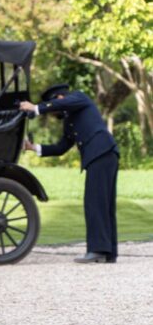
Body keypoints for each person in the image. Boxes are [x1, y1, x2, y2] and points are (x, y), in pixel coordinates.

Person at [19, 83, 119, 263]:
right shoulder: (70, 121)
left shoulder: (80, 98)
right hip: (103, 154)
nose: (52, 113)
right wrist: (33, 148)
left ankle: (97, 250)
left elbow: (59, 105)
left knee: (94, 203)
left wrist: (35, 108)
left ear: (59, 98)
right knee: (103, 204)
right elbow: (61, 148)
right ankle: (108, 252)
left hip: (101, 153)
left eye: (52, 107)